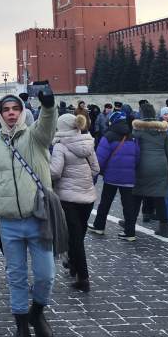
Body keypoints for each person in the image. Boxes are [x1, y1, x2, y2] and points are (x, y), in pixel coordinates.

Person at [0, 91, 57, 337]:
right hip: (9, 223)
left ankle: (37, 313)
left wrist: (48, 106)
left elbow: (47, 126)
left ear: (22, 112)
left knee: (46, 275)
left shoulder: (35, 137)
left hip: (38, 219)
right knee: (16, 276)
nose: (11, 113)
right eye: (6, 109)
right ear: (0, 114)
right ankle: (22, 328)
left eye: (15, 108)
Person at [50, 113, 99, 292]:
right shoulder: (88, 143)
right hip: (88, 198)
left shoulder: (60, 146)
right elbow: (96, 168)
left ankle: (83, 278)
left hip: (68, 199)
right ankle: (74, 267)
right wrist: (83, 181)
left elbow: (55, 172)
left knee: (75, 239)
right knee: (78, 236)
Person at [88, 111, 141, 241]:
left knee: (105, 202)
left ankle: (99, 226)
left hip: (112, 176)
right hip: (128, 177)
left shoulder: (108, 136)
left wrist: (97, 173)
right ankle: (130, 232)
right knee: (129, 205)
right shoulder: (132, 136)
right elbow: (138, 157)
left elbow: (100, 158)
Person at [131, 103, 168, 237]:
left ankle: (129, 223)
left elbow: (134, 149)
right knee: (159, 198)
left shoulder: (137, 130)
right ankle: (164, 228)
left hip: (142, 165)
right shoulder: (163, 130)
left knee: (136, 195)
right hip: (161, 165)